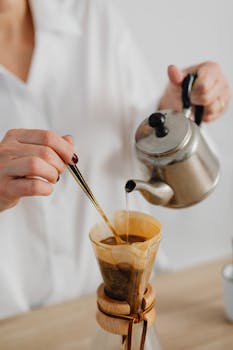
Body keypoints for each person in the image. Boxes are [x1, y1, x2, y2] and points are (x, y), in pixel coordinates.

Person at [0, 0, 231, 319]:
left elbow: (137, 142)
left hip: (137, 305)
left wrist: (171, 108)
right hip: (17, 323)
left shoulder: (93, 18)